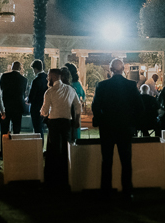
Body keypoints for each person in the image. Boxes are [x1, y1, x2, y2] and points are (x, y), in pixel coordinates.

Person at [90, 58, 143, 201]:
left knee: (106, 160)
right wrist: (132, 123)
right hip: (125, 128)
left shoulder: (102, 85)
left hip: (107, 128)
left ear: (111, 69)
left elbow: (95, 106)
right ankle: (127, 191)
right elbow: (139, 107)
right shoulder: (131, 85)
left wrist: (102, 120)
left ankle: (106, 191)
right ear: (123, 69)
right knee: (126, 161)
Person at [40, 67, 82, 190]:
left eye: (48, 76)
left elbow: (44, 110)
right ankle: (65, 177)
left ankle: (53, 178)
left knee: (53, 150)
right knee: (65, 149)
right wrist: (77, 119)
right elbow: (78, 106)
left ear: (53, 77)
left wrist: (42, 114)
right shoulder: (70, 89)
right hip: (67, 123)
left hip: (54, 123)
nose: (48, 78)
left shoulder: (50, 92)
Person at [0, 60, 28, 135]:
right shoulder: (24, 80)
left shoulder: (4, 76)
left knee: (4, 129)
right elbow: (23, 93)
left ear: (12, 67)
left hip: (6, 105)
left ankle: (4, 146)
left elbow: (1, 89)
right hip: (18, 107)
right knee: (16, 129)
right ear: (20, 68)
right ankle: (15, 145)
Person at [65, 62, 86, 141]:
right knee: (75, 133)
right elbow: (83, 97)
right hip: (75, 110)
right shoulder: (77, 84)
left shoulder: (67, 85)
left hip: (69, 110)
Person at [28, 60, 48, 137]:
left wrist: (28, 100)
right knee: (42, 128)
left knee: (37, 128)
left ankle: (39, 145)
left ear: (35, 69)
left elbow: (32, 96)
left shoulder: (36, 81)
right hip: (46, 106)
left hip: (36, 108)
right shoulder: (47, 79)